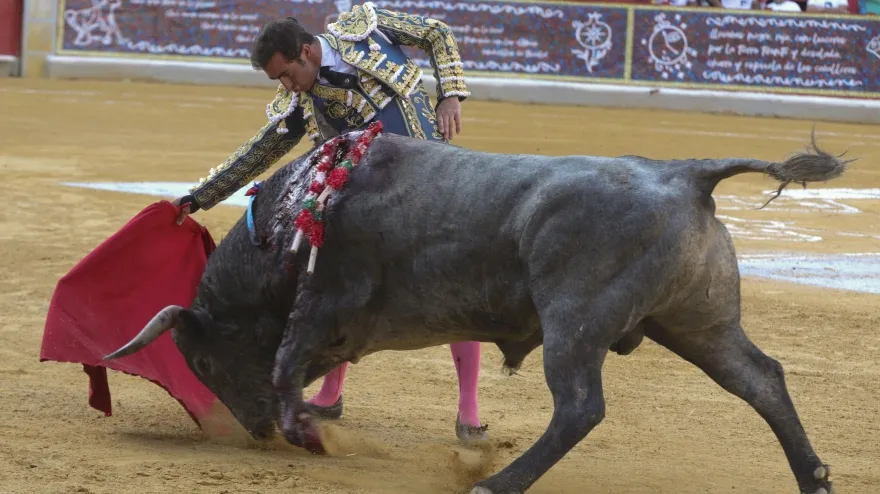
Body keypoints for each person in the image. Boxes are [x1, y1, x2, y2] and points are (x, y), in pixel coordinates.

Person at [170, 2, 487, 442]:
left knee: (454, 284)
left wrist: (450, 93)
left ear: (307, 51)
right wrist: (198, 196)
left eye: (286, 73)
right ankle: (331, 390)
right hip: (370, 204)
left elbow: (436, 32)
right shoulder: (297, 99)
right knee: (331, 272)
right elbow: (259, 151)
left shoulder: (366, 30)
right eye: (277, 79)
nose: (286, 85)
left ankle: (468, 410)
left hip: (432, 184)